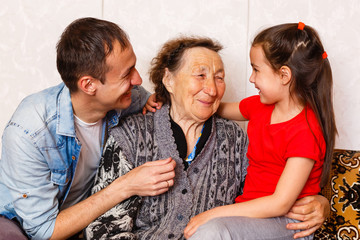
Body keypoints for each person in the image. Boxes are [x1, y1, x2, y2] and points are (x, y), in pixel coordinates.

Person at [85, 36, 330, 240]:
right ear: (168, 80)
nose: (212, 89)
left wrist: (321, 201)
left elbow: (268, 197)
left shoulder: (234, 138)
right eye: (200, 76)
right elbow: (103, 230)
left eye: (219, 78)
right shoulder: (132, 135)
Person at [0, 17, 176, 240]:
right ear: (89, 85)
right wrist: (127, 185)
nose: (138, 79)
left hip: (87, 220)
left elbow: (168, 106)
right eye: (127, 73)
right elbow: (44, 232)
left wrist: (155, 102)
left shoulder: (129, 97)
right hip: (22, 223)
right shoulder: (29, 132)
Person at [184, 22, 337, 240]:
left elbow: (280, 203)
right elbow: (216, 106)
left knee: (212, 230)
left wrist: (211, 215)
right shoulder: (259, 106)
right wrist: (171, 100)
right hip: (252, 216)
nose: (251, 78)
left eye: (256, 70)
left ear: (284, 75)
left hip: (288, 222)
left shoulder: (305, 130)